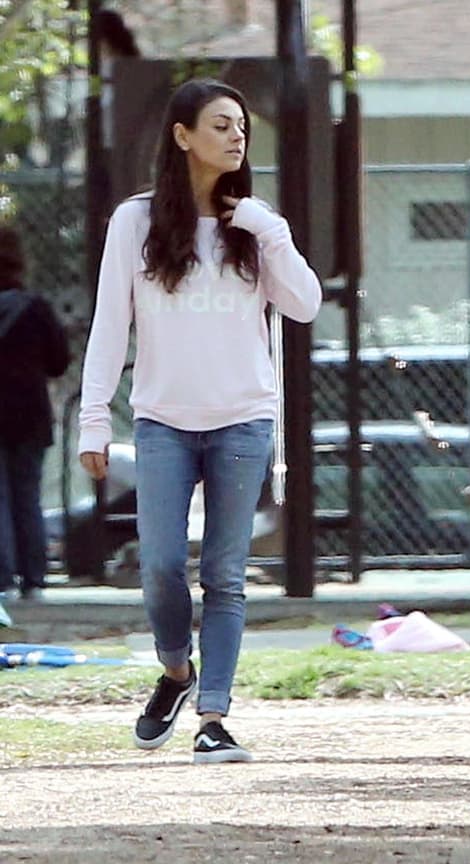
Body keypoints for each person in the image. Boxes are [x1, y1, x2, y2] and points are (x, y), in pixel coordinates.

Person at [78, 79, 322, 763]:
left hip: (244, 420)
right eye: (220, 125)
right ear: (182, 135)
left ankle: (213, 715)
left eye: (241, 125)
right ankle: (176, 672)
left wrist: (270, 232)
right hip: (162, 422)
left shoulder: (256, 226)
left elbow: (304, 305)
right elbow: (108, 326)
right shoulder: (135, 222)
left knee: (225, 574)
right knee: (159, 566)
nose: (236, 136)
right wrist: (93, 420)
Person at [0, 226, 71, 603]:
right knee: (27, 495)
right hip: (29, 411)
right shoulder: (35, 308)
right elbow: (59, 362)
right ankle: (34, 579)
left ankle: (3, 580)